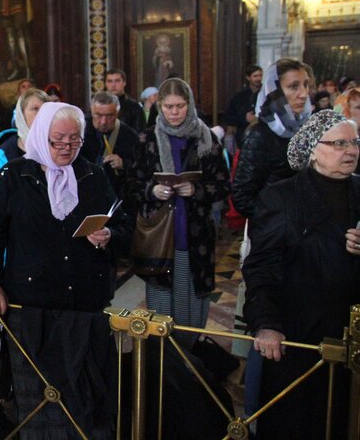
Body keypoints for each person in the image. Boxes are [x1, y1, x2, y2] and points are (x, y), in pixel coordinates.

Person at [0, 102, 130, 439]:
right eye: (58, 140)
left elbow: (122, 226)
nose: (67, 147)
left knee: (83, 396)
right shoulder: (15, 175)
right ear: (41, 135)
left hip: (83, 306)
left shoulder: (92, 175)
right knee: (38, 399)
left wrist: (108, 235)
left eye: (75, 140)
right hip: (32, 306)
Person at [243, 110, 360, 439]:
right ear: (313, 149)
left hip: (352, 335)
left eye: (354, 142)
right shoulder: (281, 196)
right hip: (299, 334)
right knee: (297, 421)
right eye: (339, 143)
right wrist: (266, 323)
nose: (351, 150)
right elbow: (261, 266)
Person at [130, 79, 230, 336]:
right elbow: (131, 185)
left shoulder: (206, 138)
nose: (174, 112)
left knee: (190, 307)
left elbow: (223, 185)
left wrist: (196, 190)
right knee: (161, 306)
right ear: (160, 106)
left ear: (190, 105)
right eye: (168, 106)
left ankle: (189, 352)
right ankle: (164, 357)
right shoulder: (147, 138)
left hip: (195, 234)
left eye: (180, 106)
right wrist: (152, 191)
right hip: (161, 235)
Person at [232, 59, 312, 220]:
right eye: (293, 86)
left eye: (306, 85)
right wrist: (278, 221)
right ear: (275, 91)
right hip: (276, 228)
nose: (303, 94)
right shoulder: (259, 135)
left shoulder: (304, 128)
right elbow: (242, 196)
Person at [81, 92, 139, 219]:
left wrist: (124, 164)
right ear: (91, 112)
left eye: (109, 116)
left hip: (119, 200)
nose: (103, 121)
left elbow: (141, 171)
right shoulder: (79, 132)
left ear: (117, 113)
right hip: (85, 197)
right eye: (98, 115)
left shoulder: (129, 136)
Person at [0, 87, 48, 197]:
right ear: (21, 115)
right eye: (35, 109)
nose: (41, 114)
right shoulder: (5, 152)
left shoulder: (58, 146)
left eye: (45, 109)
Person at [223, 65, 262, 154]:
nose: (258, 78)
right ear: (248, 77)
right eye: (255, 76)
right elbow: (231, 117)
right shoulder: (239, 97)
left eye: (260, 75)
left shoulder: (266, 95)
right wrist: (245, 118)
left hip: (261, 137)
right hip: (242, 137)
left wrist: (257, 119)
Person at [105, 69, 144, 133]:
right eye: (109, 81)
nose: (113, 85)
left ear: (124, 83)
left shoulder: (134, 107)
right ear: (105, 84)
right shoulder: (99, 106)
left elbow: (139, 132)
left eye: (117, 81)